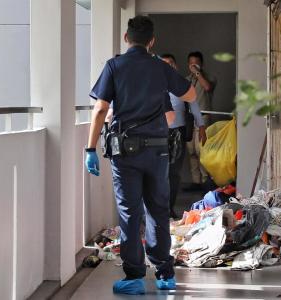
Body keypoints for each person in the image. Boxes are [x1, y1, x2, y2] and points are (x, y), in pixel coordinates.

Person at [85, 16, 196, 295]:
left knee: (130, 212)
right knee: (158, 210)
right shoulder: (160, 66)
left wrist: (90, 149)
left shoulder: (114, 65)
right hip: (158, 150)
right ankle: (165, 274)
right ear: (152, 41)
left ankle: (134, 276)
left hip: (126, 153)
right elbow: (191, 94)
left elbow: (100, 110)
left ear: (126, 37)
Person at [161, 54, 206, 219]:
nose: (168, 66)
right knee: (157, 173)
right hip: (155, 134)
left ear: (176, 66)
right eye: (164, 64)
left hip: (178, 133)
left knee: (173, 173)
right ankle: (157, 210)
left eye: (171, 63)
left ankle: (169, 208)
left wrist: (201, 126)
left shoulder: (181, 83)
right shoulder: (151, 83)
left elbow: (194, 105)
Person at [186, 51, 217, 190]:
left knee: (201, 151)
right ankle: (196, 182)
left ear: (201, 64)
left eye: (196, 63)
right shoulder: (187, 79)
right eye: (191, 63)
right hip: (189, 119)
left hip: (203, 118)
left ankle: (206, 181)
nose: (193, 65)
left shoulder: (209, 77)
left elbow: (207, 87)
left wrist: (198, 73)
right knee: (191, 151)